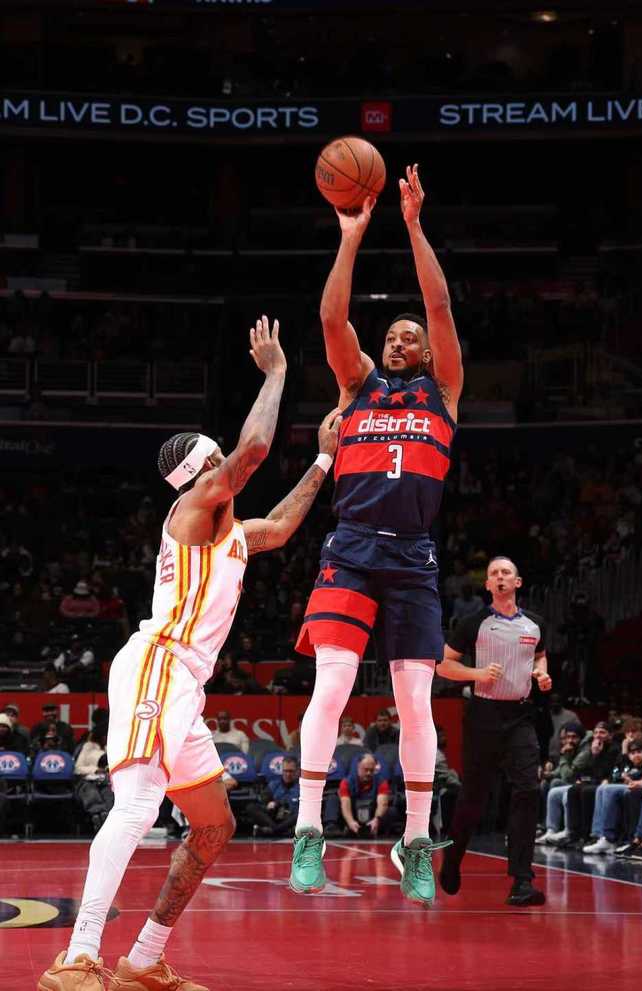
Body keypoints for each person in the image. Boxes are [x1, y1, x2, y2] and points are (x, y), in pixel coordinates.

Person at [39, 317, 341, 991]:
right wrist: (278, 373)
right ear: (206, 470)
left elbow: (280, 527)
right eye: (219, 459)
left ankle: (143, 959)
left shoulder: (230, 533)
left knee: (213, 824)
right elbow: (255, 448)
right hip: (158, 662)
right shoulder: (195, 509)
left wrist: (323, 461)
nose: (228, 464)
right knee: (138, 803)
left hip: (185, 683)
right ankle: (77, 957)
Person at [291, 164, 463, 907]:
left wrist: (415, 226)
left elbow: (440, 303)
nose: (399, 341)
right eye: (391, 335)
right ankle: (308, 830)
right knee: (331, 686)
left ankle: (415, 840)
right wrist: (352, 236)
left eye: (409, 337)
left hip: (412, 556)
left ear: (425, 353)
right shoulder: (356, 386)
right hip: (353, 546)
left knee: (415, 703)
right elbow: (332, 320)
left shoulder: (443, 391)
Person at [436, 555, 552, 906]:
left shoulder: (535, 624)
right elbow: (443, 665)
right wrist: (477, 674)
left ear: (517, 582)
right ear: (487, 585)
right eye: (494, 574)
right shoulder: (473, 624)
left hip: (521, 716)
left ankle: (522, 881)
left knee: (528, 789)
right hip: (483, 716)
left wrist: (541, 673)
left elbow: (540, 655)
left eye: (506, 573)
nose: (500, 577)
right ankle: (452, 859)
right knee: (474, 797)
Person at [338, 753, 393, 838]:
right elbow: (345, 804)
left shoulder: (382, 782)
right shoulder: (346, 782)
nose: (368, 773)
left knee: (391, 811)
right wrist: (350, 821)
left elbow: (383, 804)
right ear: (358, 767)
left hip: (373, 814)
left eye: (371, 770)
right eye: (366, 769)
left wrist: (377, 819)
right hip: (353, 814)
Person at [246, 756, 301, 838]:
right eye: (285, 771)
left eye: (291, 771)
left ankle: (273, 831)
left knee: (301, 813)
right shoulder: (274, 784)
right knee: (251, 807)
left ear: (297, 771)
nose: (288, 774)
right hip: (273, 817)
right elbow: (263, 799)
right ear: (282, 771)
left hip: (291, 818)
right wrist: (270, 803)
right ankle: (279, 830)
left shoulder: (302, 787)